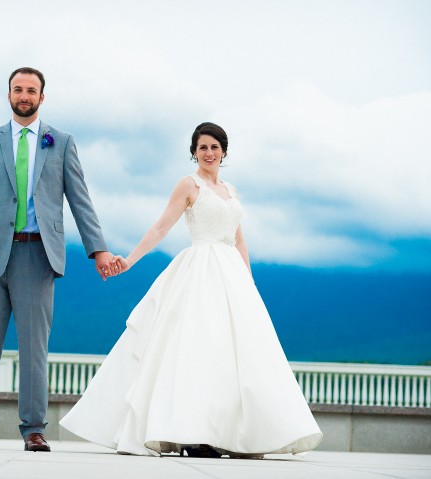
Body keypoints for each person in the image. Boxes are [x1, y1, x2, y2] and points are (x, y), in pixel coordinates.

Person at [60, 122, 322, 457]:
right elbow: (161, 226)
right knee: (197, 349)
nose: (209, 153)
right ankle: (192, 434)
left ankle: (233, 435)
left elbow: (240, 239)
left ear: (224, 151)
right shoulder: (188, 185)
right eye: (202, 148)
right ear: (194, 152)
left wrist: (249, 282)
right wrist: (131, 260)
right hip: (199, 270)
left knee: (235, 355)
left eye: (214, 147)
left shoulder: (231, 190)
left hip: (233, 277)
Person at [0, 67, 117, 452]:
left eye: (31, 90)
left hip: (38, 254)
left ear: (42, 97)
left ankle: (33, 429)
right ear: (9, 95)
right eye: (18, 89)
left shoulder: (60, 142)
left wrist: (98, 250)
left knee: (35, 349)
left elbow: (79, 199)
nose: (24, 95)